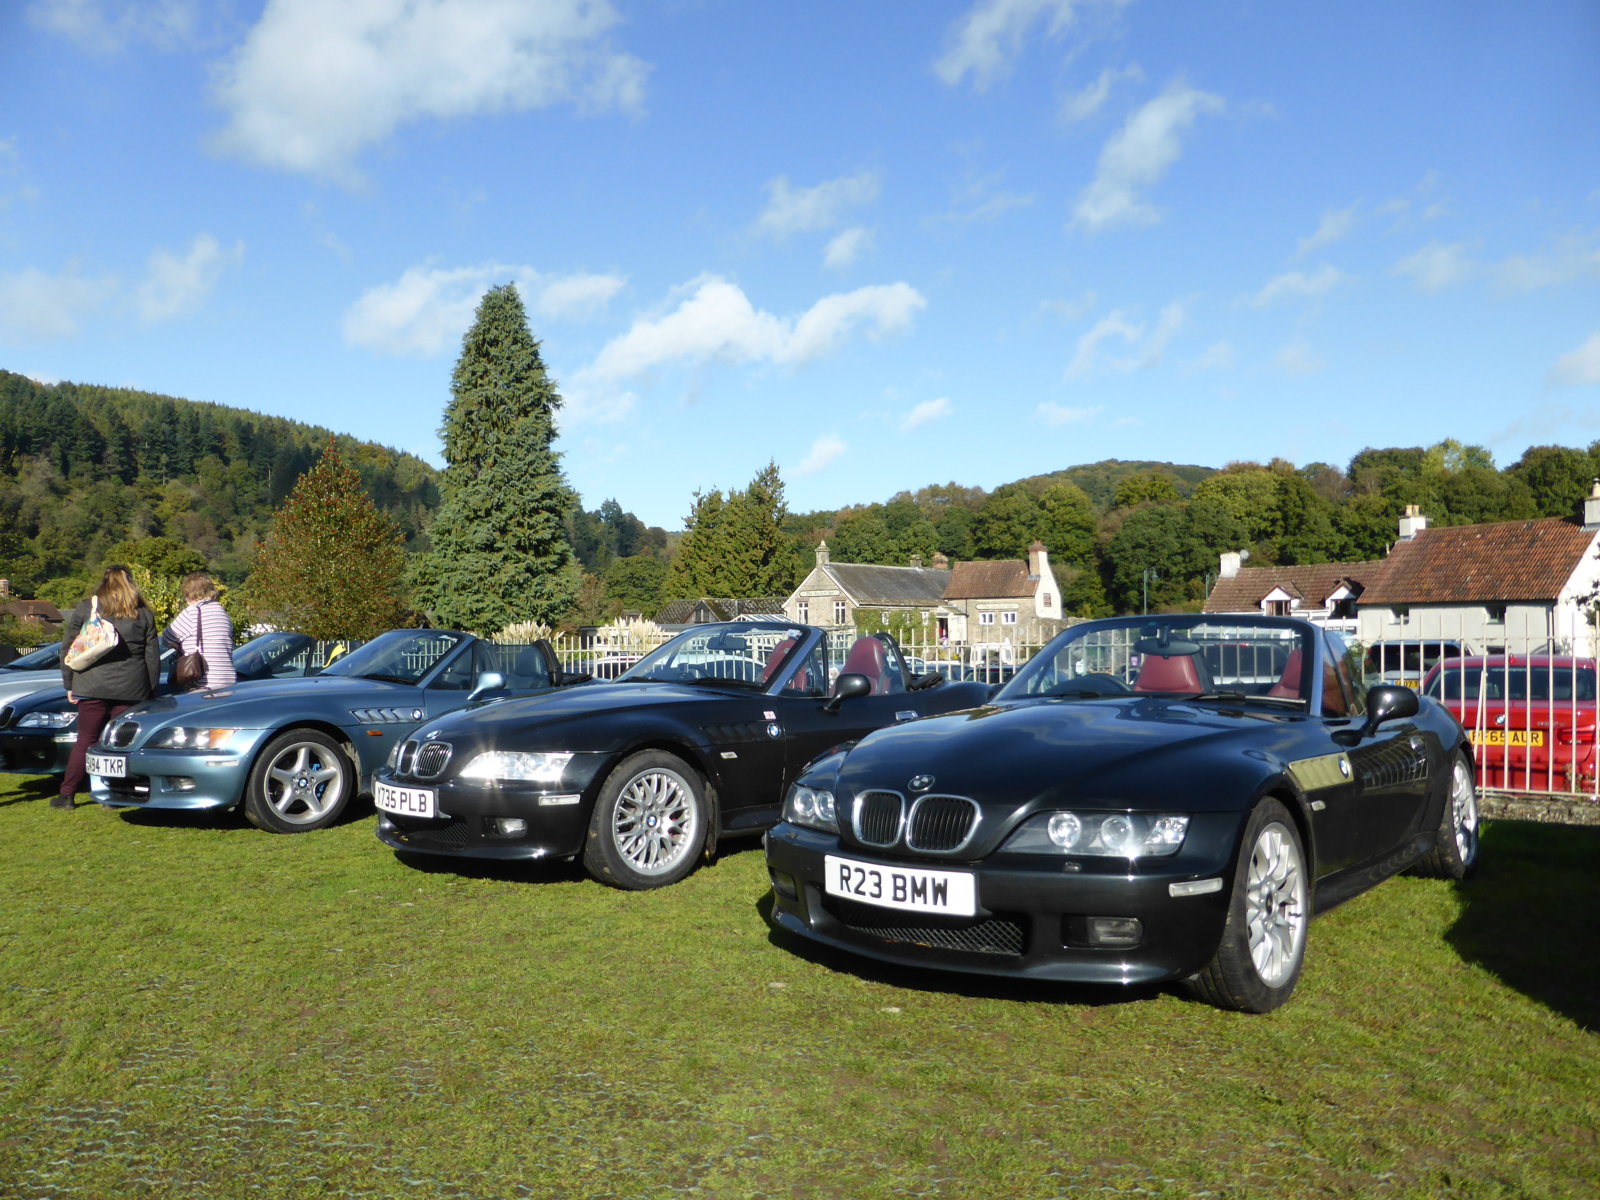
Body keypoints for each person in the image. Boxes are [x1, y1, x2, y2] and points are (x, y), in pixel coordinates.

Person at [57, 565, 161, 811]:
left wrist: (69, 684)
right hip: (131, 687)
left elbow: (67, 649)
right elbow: (152, 659)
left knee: (86, 740)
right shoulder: (143, 614)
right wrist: (151, 690)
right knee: (120, 744)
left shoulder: (87, 608)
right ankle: (114, 795)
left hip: (91, 685)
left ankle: (67, 795)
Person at [163, 573, 237, 692]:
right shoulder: (222, 613)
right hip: (228, 680)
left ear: (189, 594)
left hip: (203, 682)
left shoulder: (193, 612)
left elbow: (167, 637)